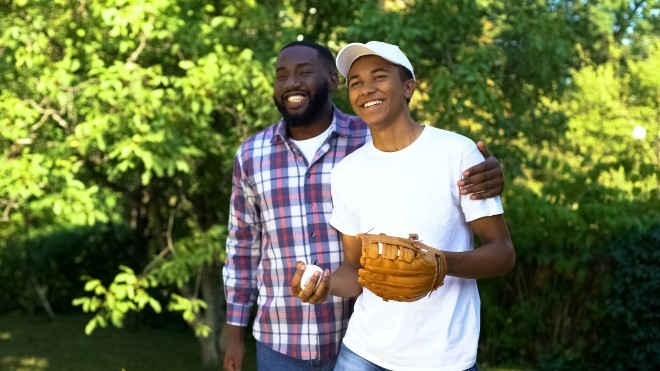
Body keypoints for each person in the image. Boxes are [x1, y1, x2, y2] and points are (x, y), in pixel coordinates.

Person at [223, 40, 506, 371]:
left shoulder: (432, 146)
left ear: (408, 87)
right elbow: (244, 248)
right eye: (356, 82)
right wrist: (323, 285)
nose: (367, 89)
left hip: (415, 349)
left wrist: (440, 262)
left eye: (379, 77)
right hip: (321, 344)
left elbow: (501, 251)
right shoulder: (280, 159)